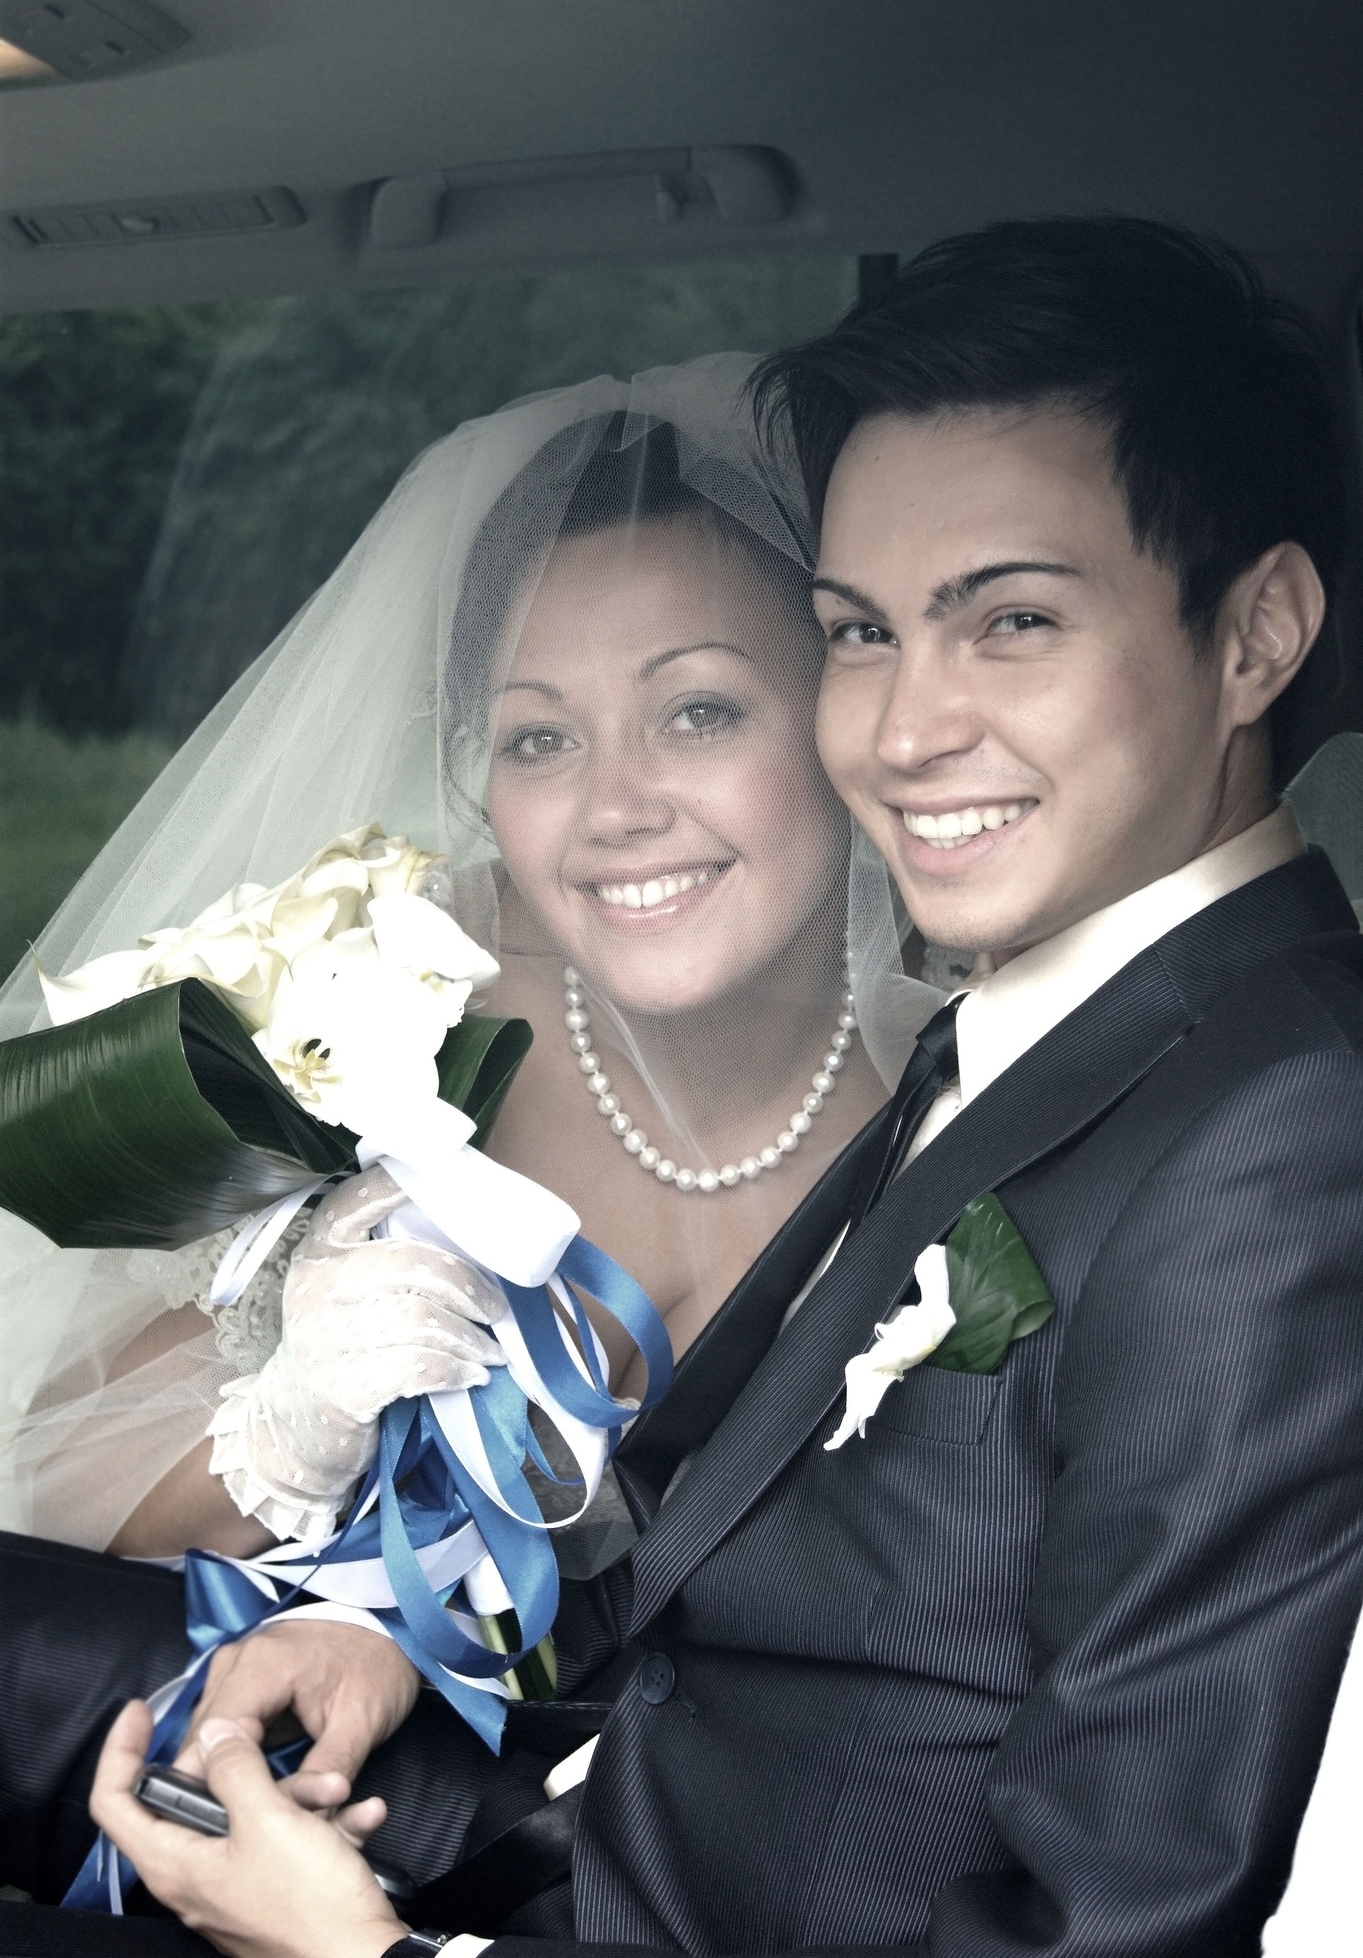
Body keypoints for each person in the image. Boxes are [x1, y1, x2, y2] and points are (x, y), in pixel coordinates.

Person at [7, 213, 1363, 1958]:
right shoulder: (1053, 1022)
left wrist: (364, 1954)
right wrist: (374, 1631)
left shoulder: (1280, 1140)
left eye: (1009, 622)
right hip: (578, 1803)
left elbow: (1109, 1922)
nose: (901, 732)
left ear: (1254, 634)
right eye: (861, 633)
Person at [0, 356, 900, 1563]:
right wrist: (292, 1424)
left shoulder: (974, 1047)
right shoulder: (374, 1004)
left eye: (698, 712)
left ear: (842, 706)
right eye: (540, 737)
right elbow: (50, 1473)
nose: (614, 808)